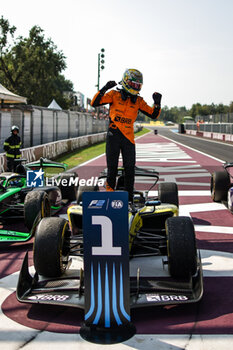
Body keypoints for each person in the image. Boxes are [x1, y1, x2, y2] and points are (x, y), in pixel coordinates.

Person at [91, 68, 162, 202]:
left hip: (129, 139)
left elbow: (153, 114)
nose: (135, 87)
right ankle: (110, 195)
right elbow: (94, 102)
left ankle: (129, 198)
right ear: (125, 81)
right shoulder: (113, 94)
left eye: (138, 85)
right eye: (133, 84)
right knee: (112, 168)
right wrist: (104, 88)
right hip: (113, 136)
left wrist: (157, 103)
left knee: (130, 169)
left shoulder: (139, 101)